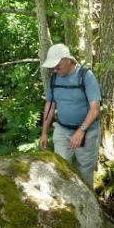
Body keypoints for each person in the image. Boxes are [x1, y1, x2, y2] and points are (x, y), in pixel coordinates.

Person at [39, 43, 101, 187]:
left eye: (57, 66)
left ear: (68, 60)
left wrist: (81, 131)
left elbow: (95, 108)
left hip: (87, 133)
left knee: (85, 171)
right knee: (60, 167)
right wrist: (43, 133)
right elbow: (50, 105)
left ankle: (87, 205)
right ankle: (64, 202)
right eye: (53, 67)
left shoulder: (86, 76)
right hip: (62, 130)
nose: (54, 70)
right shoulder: (54, 79)